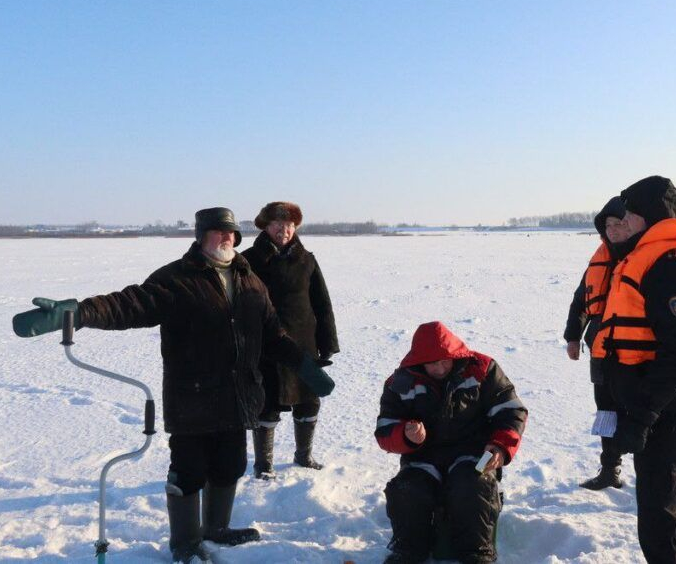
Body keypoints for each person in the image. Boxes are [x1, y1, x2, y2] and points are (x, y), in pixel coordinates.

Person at [12, 207, 334, 563]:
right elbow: (128, 304)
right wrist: (78, 311)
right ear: (200, 237)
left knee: (230, 465)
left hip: (239, 395)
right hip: (192, 397)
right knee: (189, 470)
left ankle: (216, 529)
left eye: (230, 233)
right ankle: (184, 544)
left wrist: (305, 364)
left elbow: (273, 334)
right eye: (217, 232)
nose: (225, 238)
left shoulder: (250, 279)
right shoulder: (177, 278)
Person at [591, 176, 676, 563]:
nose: (625, 223)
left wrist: (641, 416)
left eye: (631, 215)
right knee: (666, 513)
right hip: (657, 410)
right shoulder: (649, 256)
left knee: (659, 520)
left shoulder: (670, 266)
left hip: (667, 415)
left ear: (649, 218)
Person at [375, 321, 528, 564]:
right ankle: (408, 551)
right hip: (423, 455)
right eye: (432, 362)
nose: (440, 367)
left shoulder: (482, 369)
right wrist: (405, 435)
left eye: (444, 360)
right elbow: (384, 429)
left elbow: (511, 410)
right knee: (407, 489)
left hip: (473, 452)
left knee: (471, 485)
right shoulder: (400, 382)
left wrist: (500, 445)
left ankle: (477, 554)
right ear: (419, 360)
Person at [242, 201, 339, 476]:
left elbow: (322, 303)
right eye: (277, 225)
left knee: (307, 400)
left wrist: (327, 343)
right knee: (267, 402)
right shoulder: (248, 260)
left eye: (289, 225)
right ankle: (263, 464)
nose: (283, 230)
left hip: (303, 342)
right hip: (265, 345)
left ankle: (304, 456)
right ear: (266, 227)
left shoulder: (307, 259)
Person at [562, 196, 634, 490]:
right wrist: (572, 335)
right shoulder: (599, 258)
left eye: (619, 224)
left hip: (634, 353)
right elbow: (582, 298)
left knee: (639, 412)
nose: (613, 230)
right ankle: (609, 469)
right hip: (601, 350)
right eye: (608, 225)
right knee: (606, 410)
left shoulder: (645, 258)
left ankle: (651, 473)